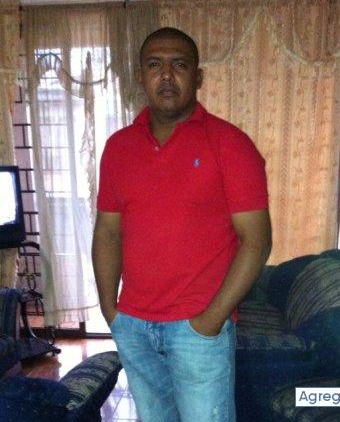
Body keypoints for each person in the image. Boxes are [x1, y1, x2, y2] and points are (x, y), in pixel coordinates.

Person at [92, 27, 272, 422]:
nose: (167, 75)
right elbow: (107, 231)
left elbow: (256, 242)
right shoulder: (118, 148)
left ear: (198, 76)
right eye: (155, 65)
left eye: (179, 65)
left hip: (197, 330)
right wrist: (110, 308)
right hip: (133, 325)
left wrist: (211, 320)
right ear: (141, 75)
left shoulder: (230, 144)